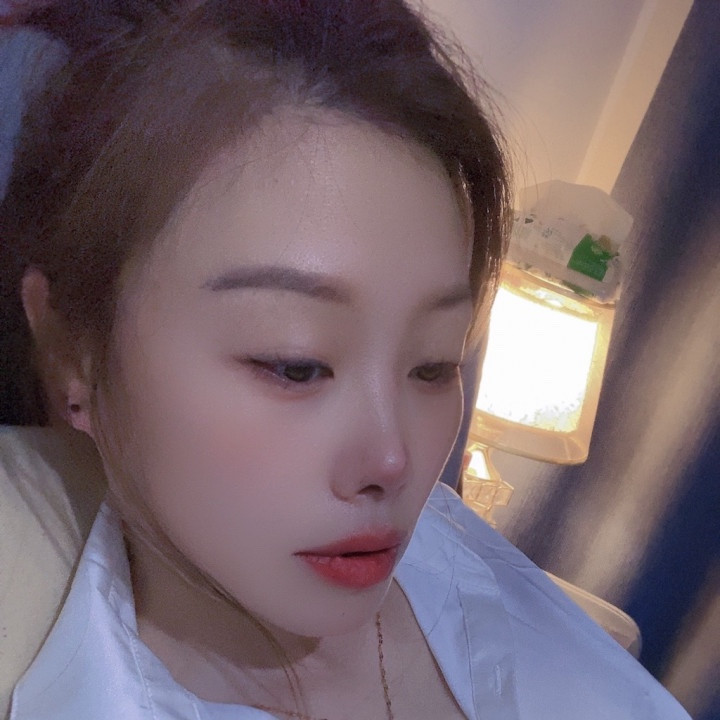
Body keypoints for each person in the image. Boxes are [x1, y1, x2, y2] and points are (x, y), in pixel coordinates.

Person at [0, 1, 690, 718]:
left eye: (434, 364)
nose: (395, 461)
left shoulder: (458, 555)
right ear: (72, 350)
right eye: (295, 364)